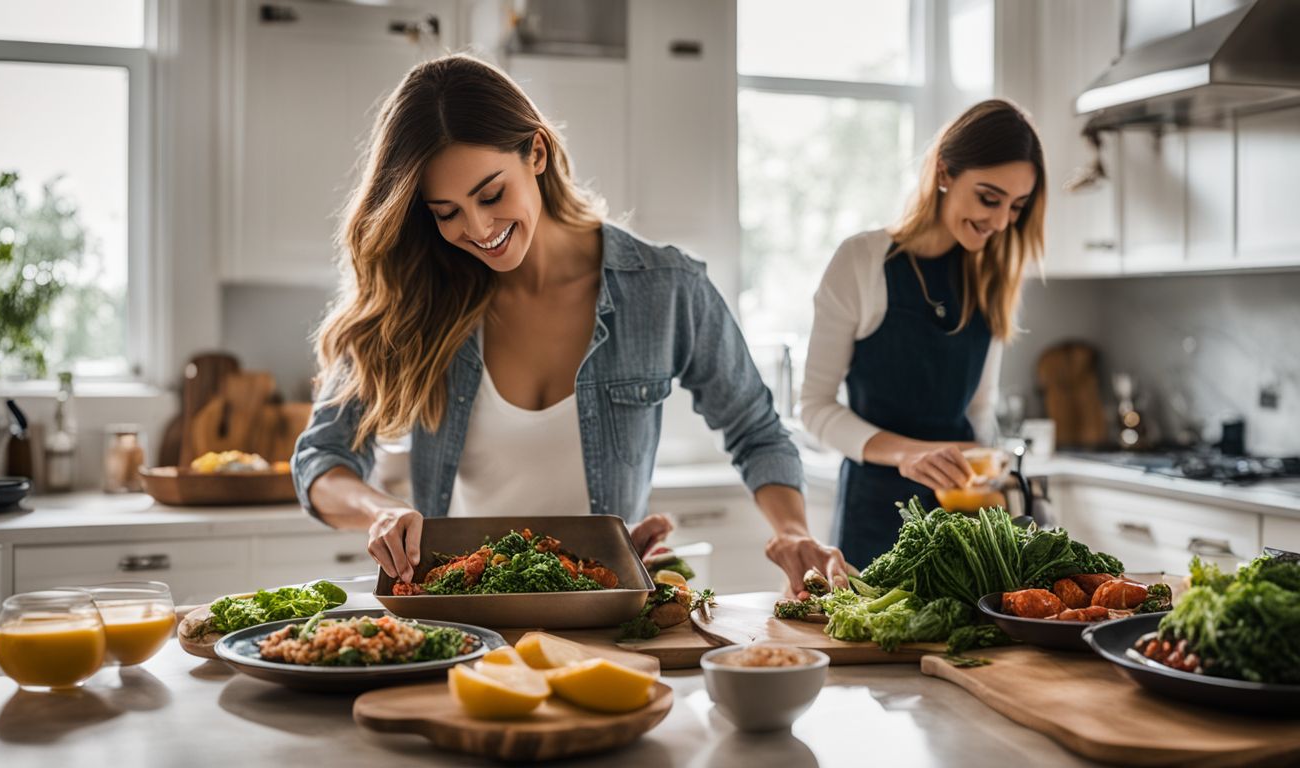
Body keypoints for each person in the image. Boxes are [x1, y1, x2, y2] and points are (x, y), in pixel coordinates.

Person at [292, 53, 848, 593]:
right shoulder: (416, 297)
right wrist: (382, 510)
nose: (479, 227)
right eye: (447, 213)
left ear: (536, 152)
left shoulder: (664, 287)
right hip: (462, 626)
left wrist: (794, 533)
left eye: (491, 194)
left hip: (605, 616)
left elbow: (756, 430)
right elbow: (322, 458)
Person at [800, 99, 1046, 569]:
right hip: (875, 518)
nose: (999, 222)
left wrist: (990, 478)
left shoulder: (994, 276)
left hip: (966, 523)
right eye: (988, 198)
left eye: (1015, 207)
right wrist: (911, 455)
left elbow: (978, 409)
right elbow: (814, 407)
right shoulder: (862, 261)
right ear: (945, 173)